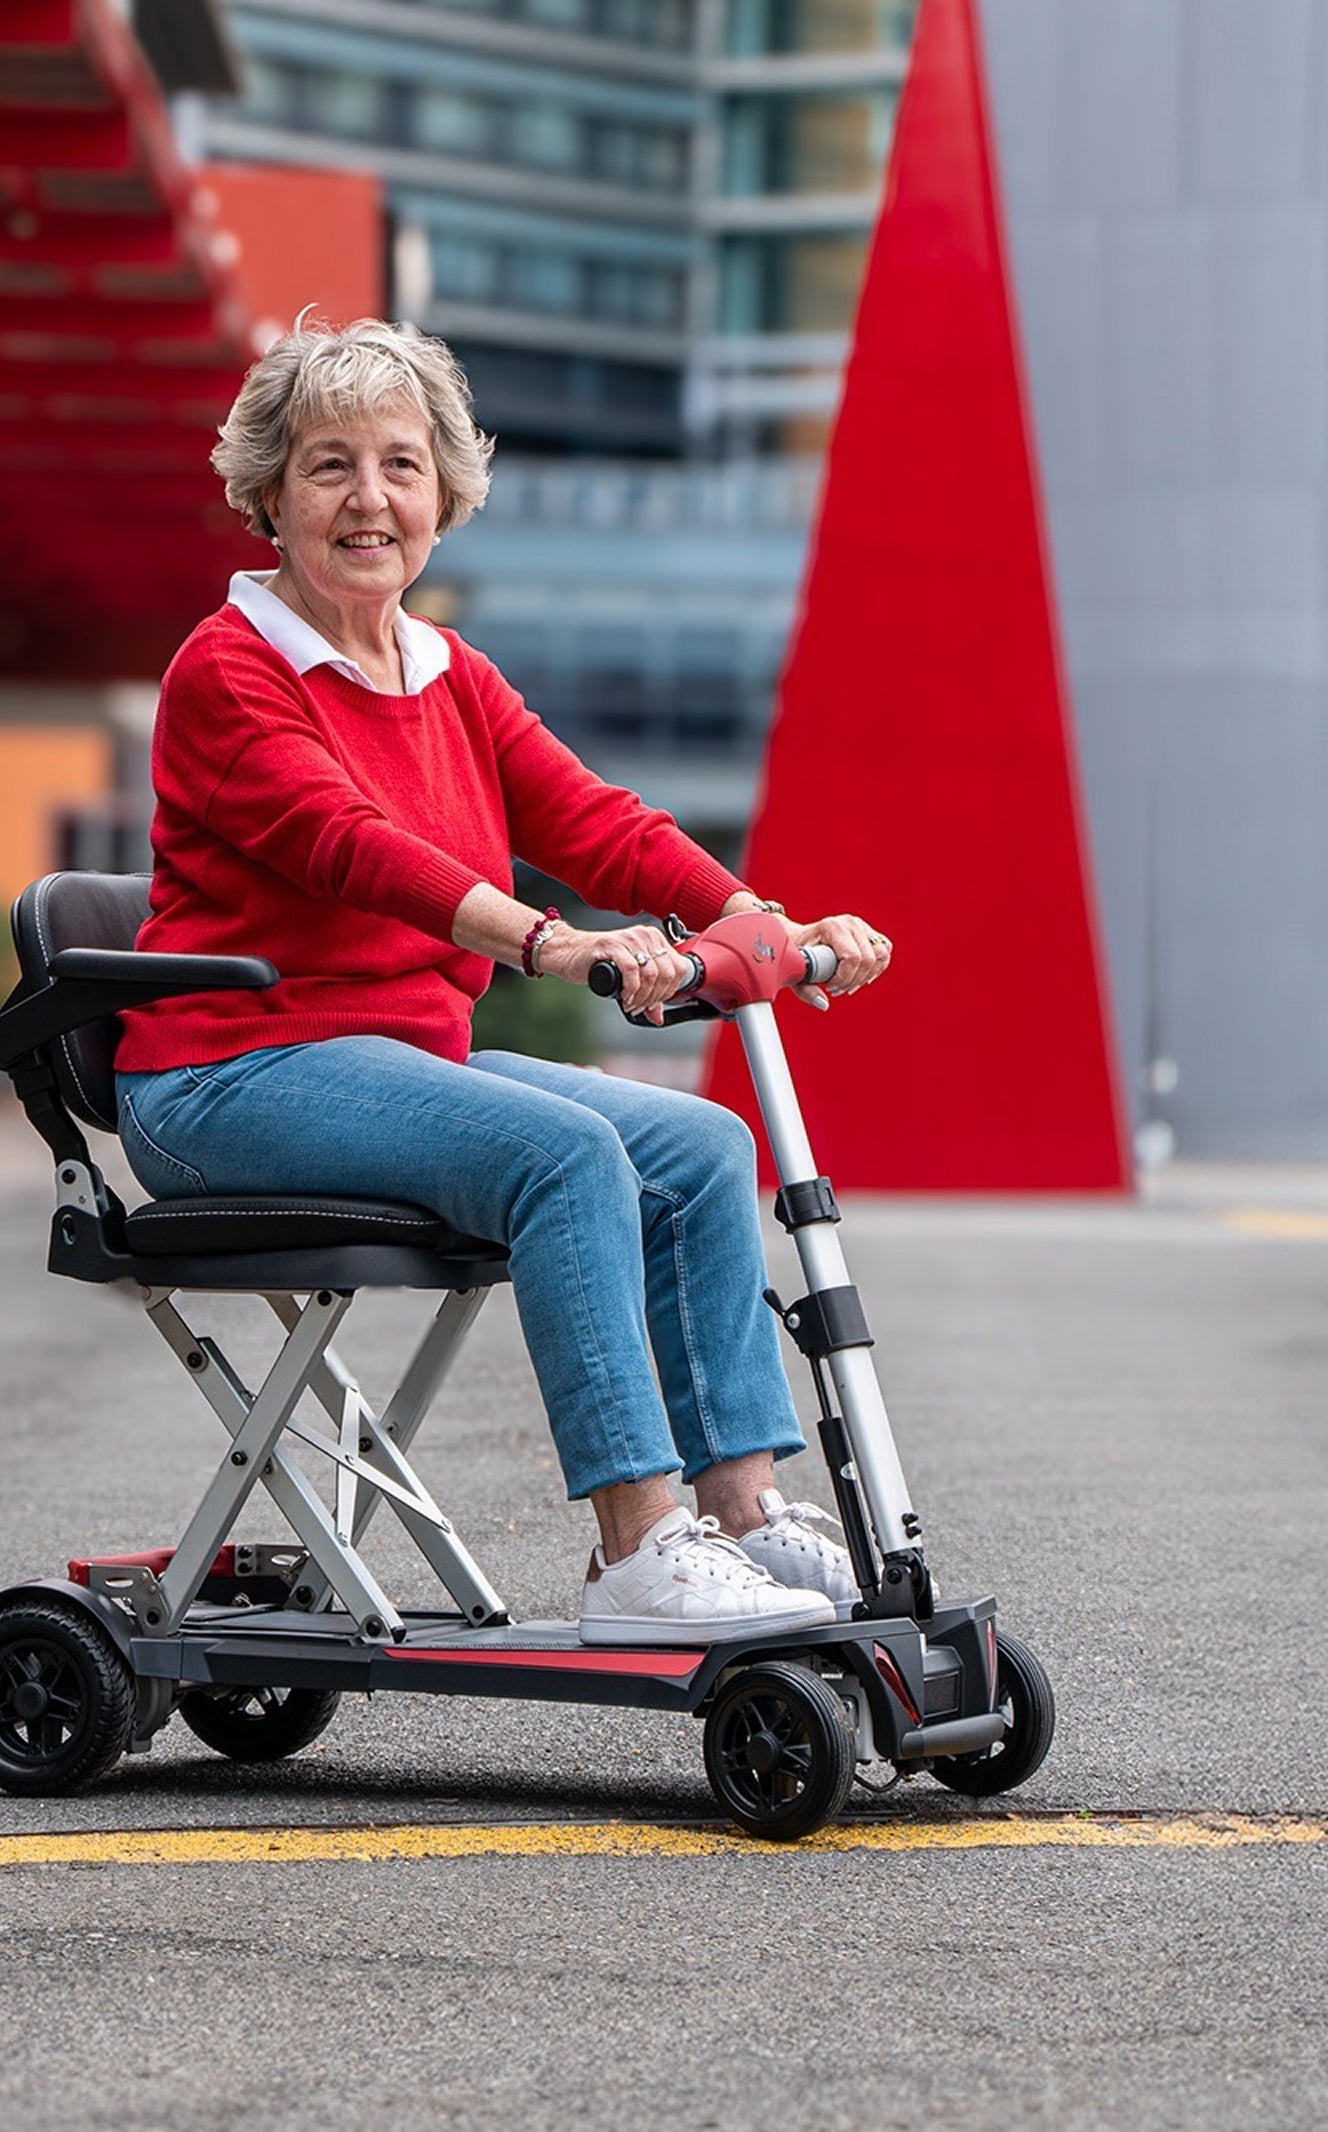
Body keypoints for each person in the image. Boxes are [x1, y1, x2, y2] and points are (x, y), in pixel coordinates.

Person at [115, 317, 892, 1645]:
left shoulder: (449, 676)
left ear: (443, 496)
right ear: (268, 494)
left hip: (401, 1064)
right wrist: (550, 942)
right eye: (330, 466)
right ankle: (640, 1551)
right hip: (228, 1071)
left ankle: (744, 1516)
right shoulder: (227, 673)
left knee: (702, 1143)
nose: (371, 499)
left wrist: (758, 918)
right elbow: (355, 849)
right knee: (565, 1155)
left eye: (402, 466)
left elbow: (596, 819)